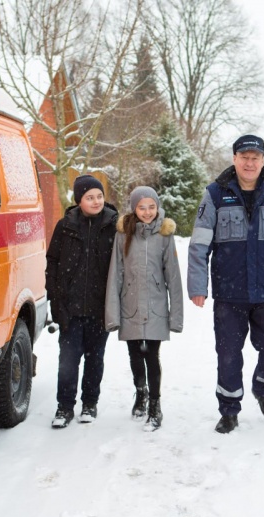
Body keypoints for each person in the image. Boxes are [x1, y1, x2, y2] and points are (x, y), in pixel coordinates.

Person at [187, 134, 264, 434]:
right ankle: (229, 410)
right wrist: (198, 285)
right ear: (234, 159)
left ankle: (263, 387)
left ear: (263, 160)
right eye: (244, 157)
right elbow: (199, 243)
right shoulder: (215, 193)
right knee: (228, 355)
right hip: (229, 293)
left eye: (255, 157)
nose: (250, 163)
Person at [105, 186, 184, 431]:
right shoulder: (123, 235)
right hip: (130, 306)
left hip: (156, 307)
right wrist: (112, 314)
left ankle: (155, 405)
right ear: (134, 208)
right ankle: (141, 392)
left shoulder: (164, 235)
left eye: (151, 207)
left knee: (151, 355)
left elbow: (173, 277)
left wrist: (176, 317)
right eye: (142, 207)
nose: (147, 212)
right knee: (134, 355)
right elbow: (115, 274)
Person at [46, 174, 118, 428]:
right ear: (79, 200)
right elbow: (52, 263)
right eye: (90, 197)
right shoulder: (65, 226)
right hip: (70, 307)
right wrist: (56, 299)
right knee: (68, 359)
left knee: (95, 358)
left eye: (99, 196)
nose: (96, 201)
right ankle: (64, 407)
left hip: (100, 307)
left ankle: (89, 403)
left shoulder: (113, 225)